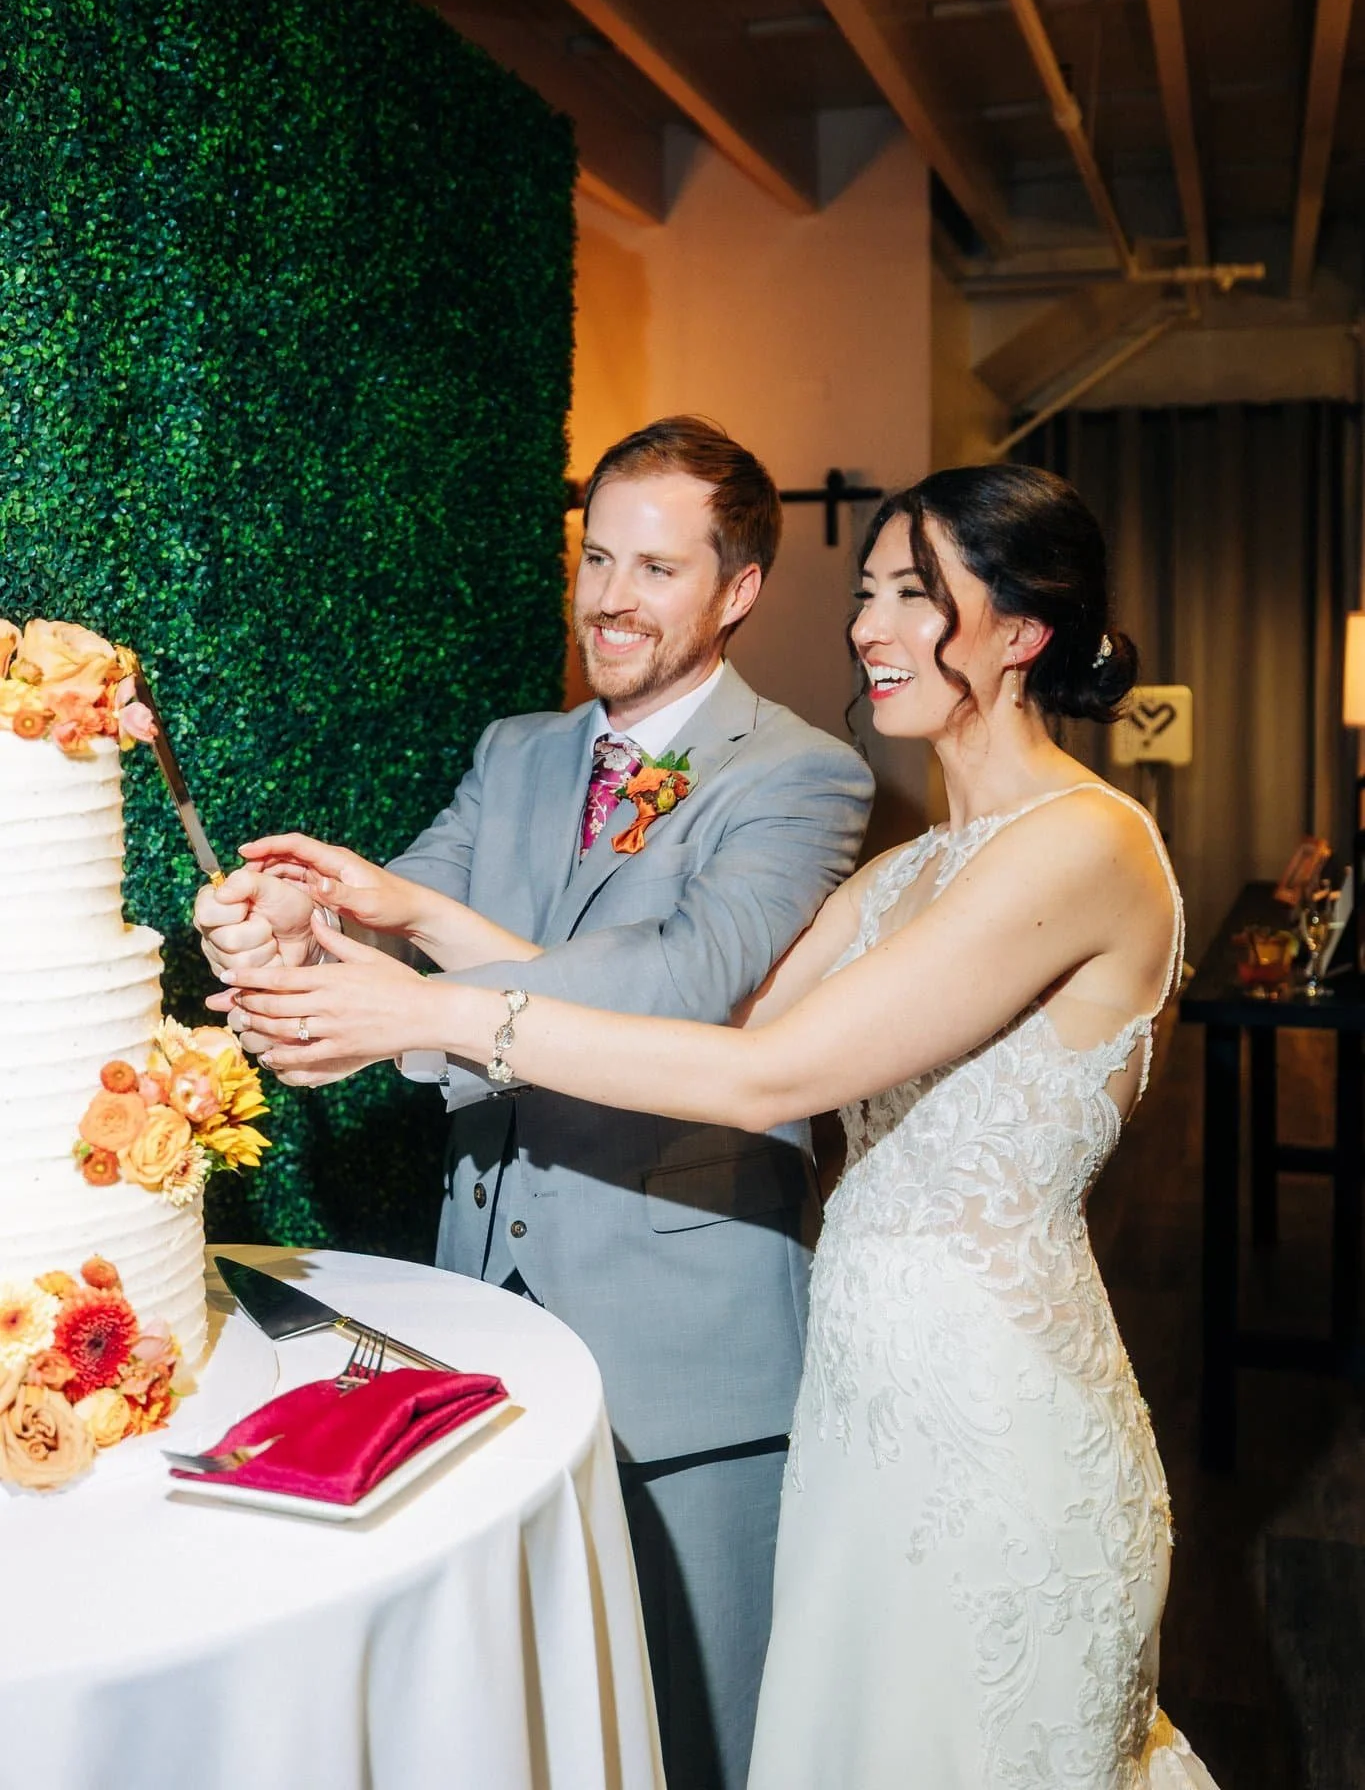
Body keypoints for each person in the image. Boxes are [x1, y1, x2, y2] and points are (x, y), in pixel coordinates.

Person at [225, 464, 1220, 1790]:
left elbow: (768, 1084)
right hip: (862, 1414)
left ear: (1023, 629)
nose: (869, 626)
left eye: (914, 595)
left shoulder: (1083, 845)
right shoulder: (911, 873)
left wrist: (438, 1015)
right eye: (866, 591)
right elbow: (704, 1035)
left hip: (993, 1415)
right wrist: (398, 922)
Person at [196, 415, 875, 1790]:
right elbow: (389, 929)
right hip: (487, 1342)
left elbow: (686, 975)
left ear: (737, 591)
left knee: (707, 1738)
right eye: (598, 559)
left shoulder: (801, 772)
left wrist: (420, 976)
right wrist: (284, 925)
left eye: (658, 571)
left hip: (689, 1355)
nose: (612, 601)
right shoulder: (516, 752)